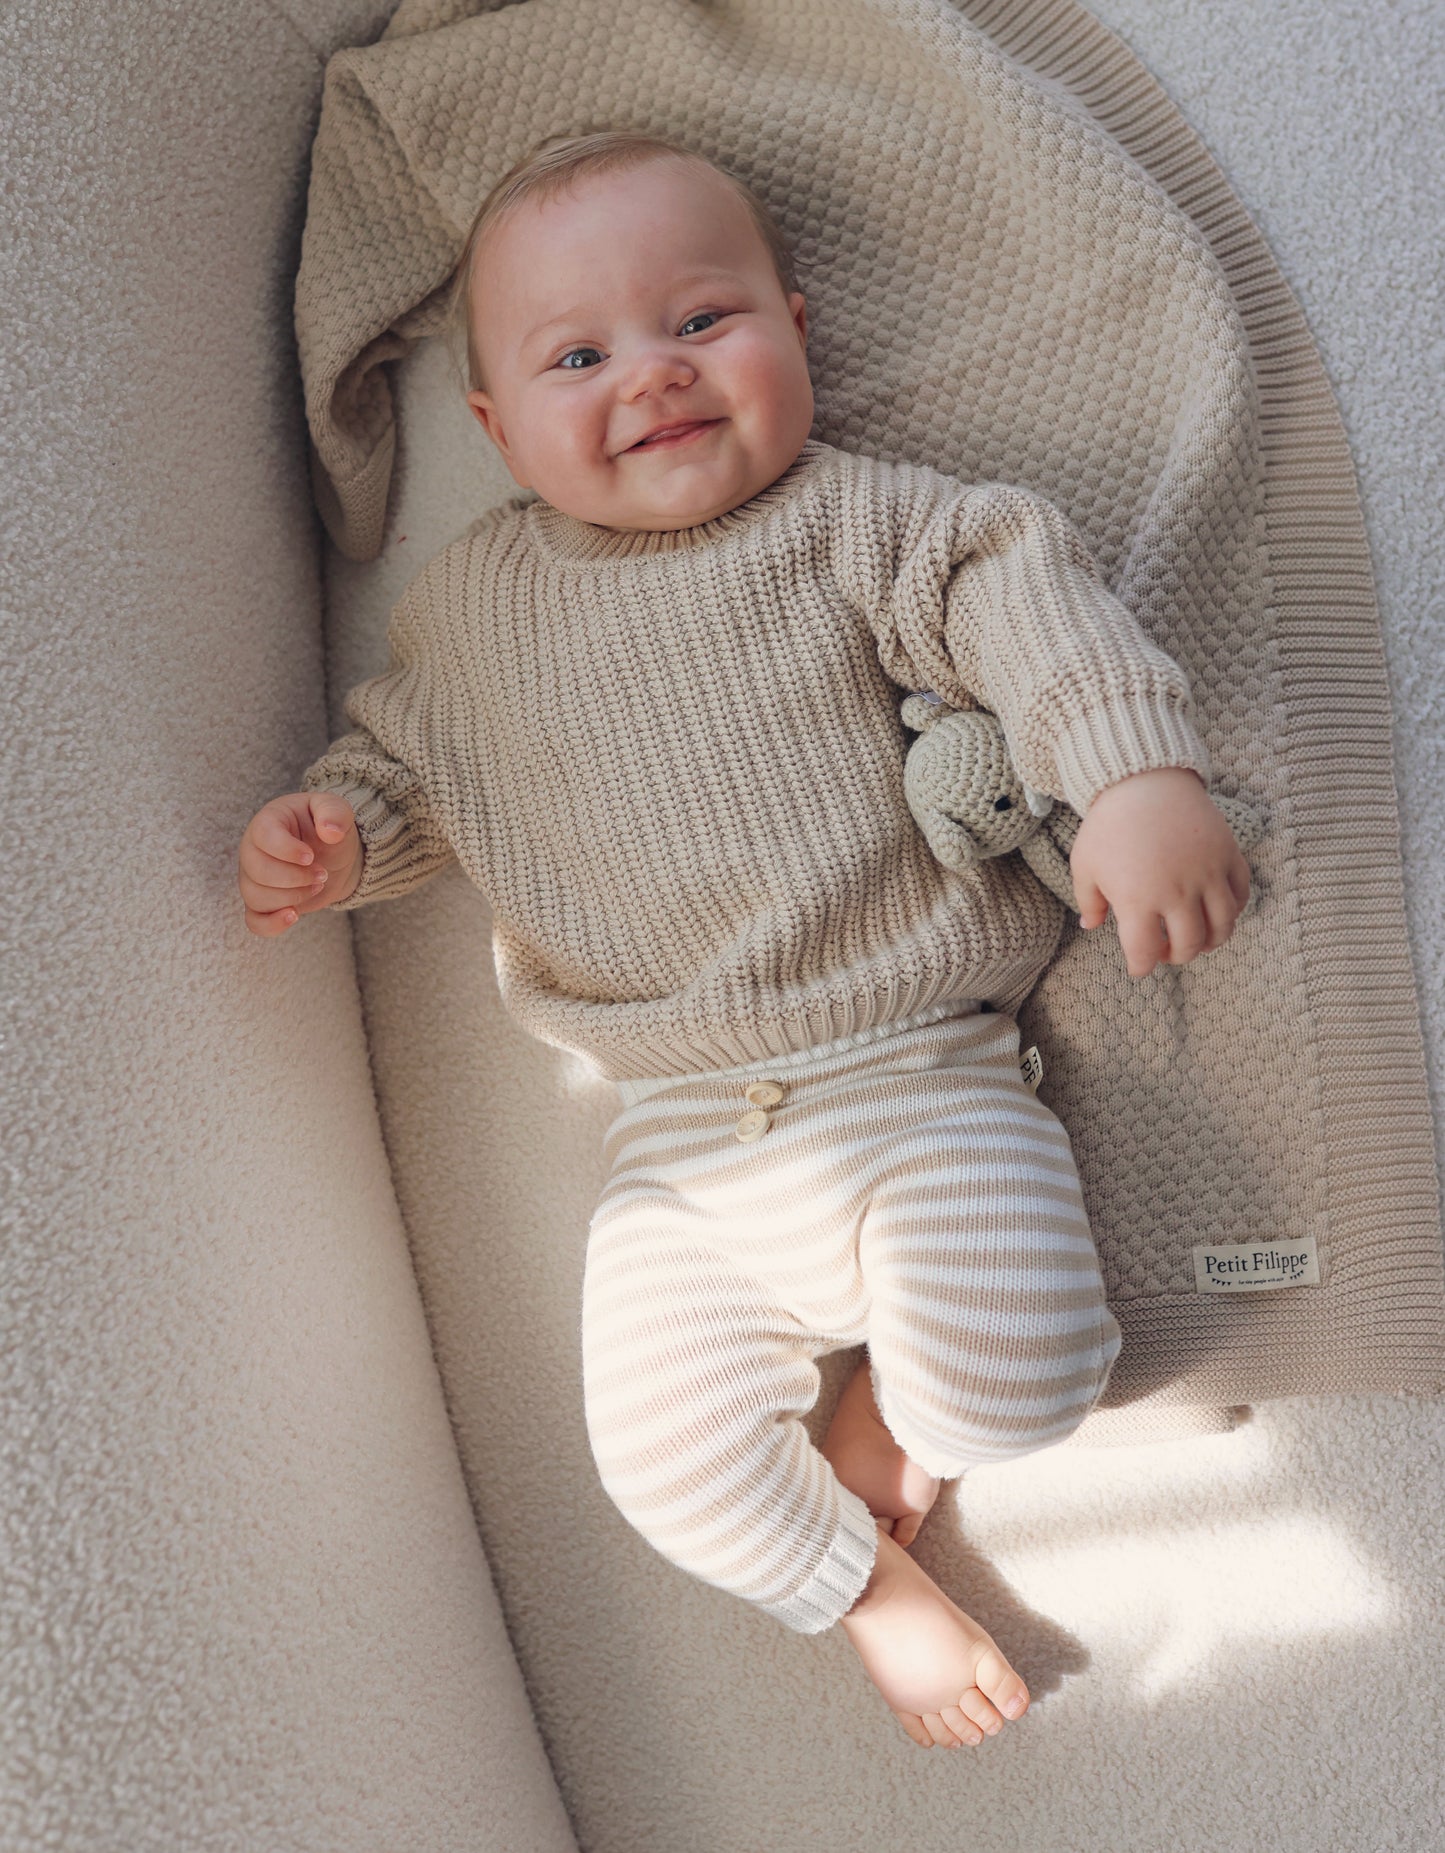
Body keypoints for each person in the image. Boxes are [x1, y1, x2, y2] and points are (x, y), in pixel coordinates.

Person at [237, 131, 1251, 1751]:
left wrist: (1132, 774)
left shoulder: (861, 523)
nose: (652, 373)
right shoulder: (471, 613)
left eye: (701, 321)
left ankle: (897, 1419)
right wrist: (340, 837)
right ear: (493, 428)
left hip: (916, 1076)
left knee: (1025, 1375)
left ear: (795, 329)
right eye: (577, 357)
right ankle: (865, 1591)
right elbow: (420, 767)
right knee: (662, 1461)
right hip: (680, 1151)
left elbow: (1021, 596)